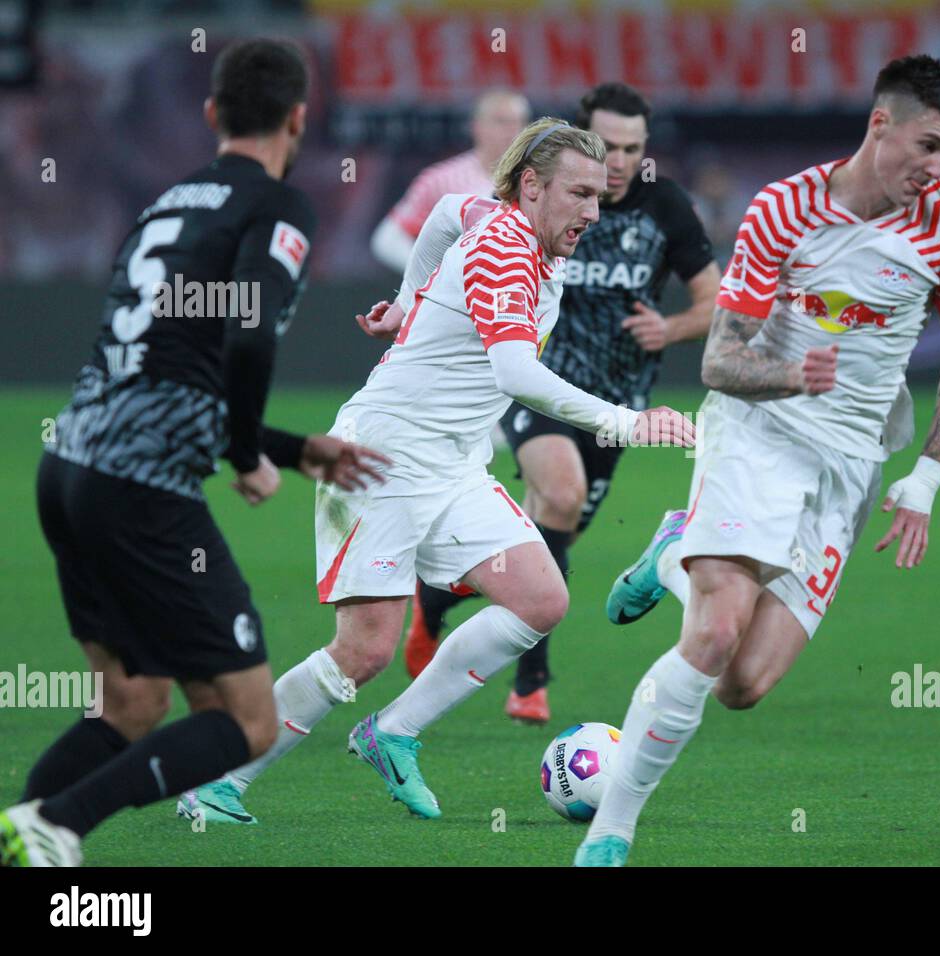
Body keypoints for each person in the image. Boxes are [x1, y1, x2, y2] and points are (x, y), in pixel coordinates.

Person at [176, 118, 694, 826]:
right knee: (363, 651)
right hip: (379, 460)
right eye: (578, 194)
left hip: (451, 464)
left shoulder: (499, 216)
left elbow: (449, 212)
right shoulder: (506, 250)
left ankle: (391, 732)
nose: (592, 213)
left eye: (599, 197)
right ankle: (217, 781)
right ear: (532, 186)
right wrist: (629, 421)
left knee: (541, 599)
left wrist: (408, 300)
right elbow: (516, 371)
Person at [574, 54, 940, 866]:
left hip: (850, 460)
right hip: (757, 431)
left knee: (743, 683)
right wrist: (788, 375)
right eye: (929, 146)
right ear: (881, 125)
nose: (939, 169)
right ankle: (612, 830)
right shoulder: (784, 208)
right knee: (715, 631)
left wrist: (929, 474)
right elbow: (720, 364)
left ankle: (674, 552)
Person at [0, 38, 386, 867]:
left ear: (213, 115)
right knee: (247, 722)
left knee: (132, 702)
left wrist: (294, 449)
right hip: (138, 488)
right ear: (298, 119)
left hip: (68, 469)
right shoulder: (278, 207)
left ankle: (27, 833)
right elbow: (247, 337)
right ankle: (57, 825)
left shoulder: (169, 203)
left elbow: (156, 368)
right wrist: (251, 452)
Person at [392, 82, 721, 725]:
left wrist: (672, 328)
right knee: (560, 495)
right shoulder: (544, 207)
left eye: (632, 148)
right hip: (544, 385)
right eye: (609, 146)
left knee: (551, 535)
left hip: (618, 393)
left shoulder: (665, 209)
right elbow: (454, 218)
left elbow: (715, 300)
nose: (620, 162)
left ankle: (435, 597)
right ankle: (532, 678)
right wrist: (411, 303)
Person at [370, 89, 530, 273]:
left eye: (519, 122)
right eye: (501, 121)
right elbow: (388, 239)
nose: (512, 131)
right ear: (477, 126)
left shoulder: (537, 179)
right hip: (462, 296)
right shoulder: (442, 179)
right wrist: (432, 274)